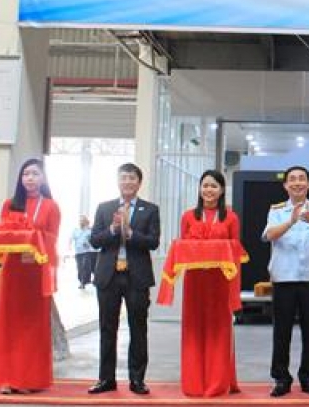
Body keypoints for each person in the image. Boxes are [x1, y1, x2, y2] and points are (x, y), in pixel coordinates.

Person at [261, 165, 309, 398]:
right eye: (292, 179)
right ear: (285, 186)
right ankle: (281, 379)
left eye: (301, 179)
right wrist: (291, 221)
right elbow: (267, 236)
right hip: (283, 278)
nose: (297, 183)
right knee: (281, 332)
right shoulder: (277, 210)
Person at [88, 163, 160, 396]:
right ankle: (106, 379)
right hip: (108, 277)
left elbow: (153, 242)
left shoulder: (150, 210)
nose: (127, 182)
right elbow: (95, 241)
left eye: (132, 178)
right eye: (123, 178)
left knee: (138, 328)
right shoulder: (104, 207)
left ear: (139, 182)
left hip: (136, 277)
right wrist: (112, 228)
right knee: (107, 328)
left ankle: (137, 379)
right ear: (118, 182)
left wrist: (129, 233)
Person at [0, 158, 61, 394]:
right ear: (20, 179)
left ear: (43, 178)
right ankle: (7, 378)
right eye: (25, 174)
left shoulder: (51, 206)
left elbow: (53, 240)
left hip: (37, 273)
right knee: (10, 324)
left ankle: (31, 379)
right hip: (14, 272)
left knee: (33, 325)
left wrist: (35, 239)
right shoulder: (10, 204)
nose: (30, 178)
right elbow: (2, 233)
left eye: (35, 174)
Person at [177, 170, 242, 397]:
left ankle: (218, 382)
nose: (209, 190)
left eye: (214, 186)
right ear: (199, 188)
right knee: (193, 329)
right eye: (205, 185)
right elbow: (182, 249)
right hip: (194, 281)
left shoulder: (231, 217)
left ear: (222, 190)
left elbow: (236, 251)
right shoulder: (187, 216)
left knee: (219, 329)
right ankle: (194, 383)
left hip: (220, 281)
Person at [71, 215, 96, 289]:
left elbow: (93, 240)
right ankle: (82, 280)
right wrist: (69, 246)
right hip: (78, 252)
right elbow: (71, 238)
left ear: (85, 222)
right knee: (79, 268)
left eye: (82, 220)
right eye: (80, 221)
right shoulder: (76, 230)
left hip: (87, 252)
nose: (81, 222)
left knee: (85, 266)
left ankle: (83, 283)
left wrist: (88, 244)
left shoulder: (89, 230)